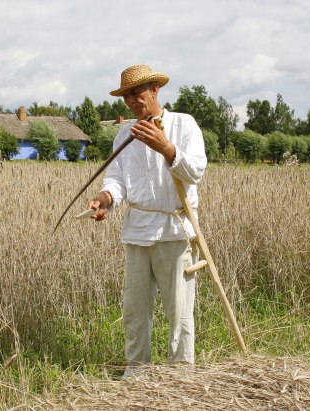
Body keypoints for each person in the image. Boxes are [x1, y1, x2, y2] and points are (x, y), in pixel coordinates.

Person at [87, 64, 207, 376]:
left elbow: (195, 172)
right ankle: (136, 372)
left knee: (179, 311)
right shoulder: (124, 135)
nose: (131, 101)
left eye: (136, 93)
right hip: (138, 232)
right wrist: (105, 199)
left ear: (154, 89)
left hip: (175, 231)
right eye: (126, 96)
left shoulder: (184, 125)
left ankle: (180, 376)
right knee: (135, 310)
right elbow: (116, 180)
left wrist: (165, 147)